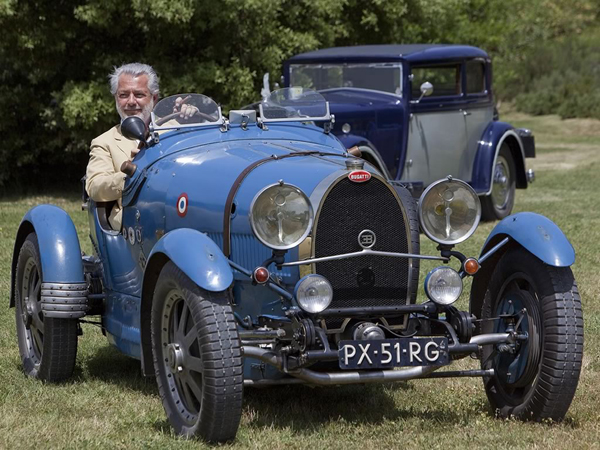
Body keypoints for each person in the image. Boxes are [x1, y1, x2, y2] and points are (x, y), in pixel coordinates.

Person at [85, 62, 160, 230]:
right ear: (116, 99)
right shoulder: (104, 142)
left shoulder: (173, 128)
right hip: (134, 224)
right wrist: (131, 176)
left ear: (154, 98)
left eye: (139, 94)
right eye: (124, 95)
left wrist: (192, 117)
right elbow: (95, 187)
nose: (131, 102)